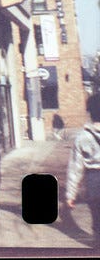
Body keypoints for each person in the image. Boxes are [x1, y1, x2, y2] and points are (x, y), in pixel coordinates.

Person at [65, 93, 100, 249]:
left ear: (90, 112)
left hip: (93, 180)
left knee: (97, 218)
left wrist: (70, 195)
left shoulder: (82, 137)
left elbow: (75, 169)